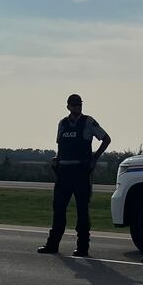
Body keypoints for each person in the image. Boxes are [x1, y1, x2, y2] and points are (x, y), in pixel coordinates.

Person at [37, 94, 110, 257]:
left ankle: (83, 247)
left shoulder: (88, 122)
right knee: (58, 210)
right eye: (74, 105)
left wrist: (94, 159)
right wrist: (57, 159)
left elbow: (106, 139)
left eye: (79, 105)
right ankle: (52, 244)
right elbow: (61, 146)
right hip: (63, 173)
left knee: (82, 211)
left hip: (81, 172)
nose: (77, 108)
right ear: (68, 107)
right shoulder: (62, 124)